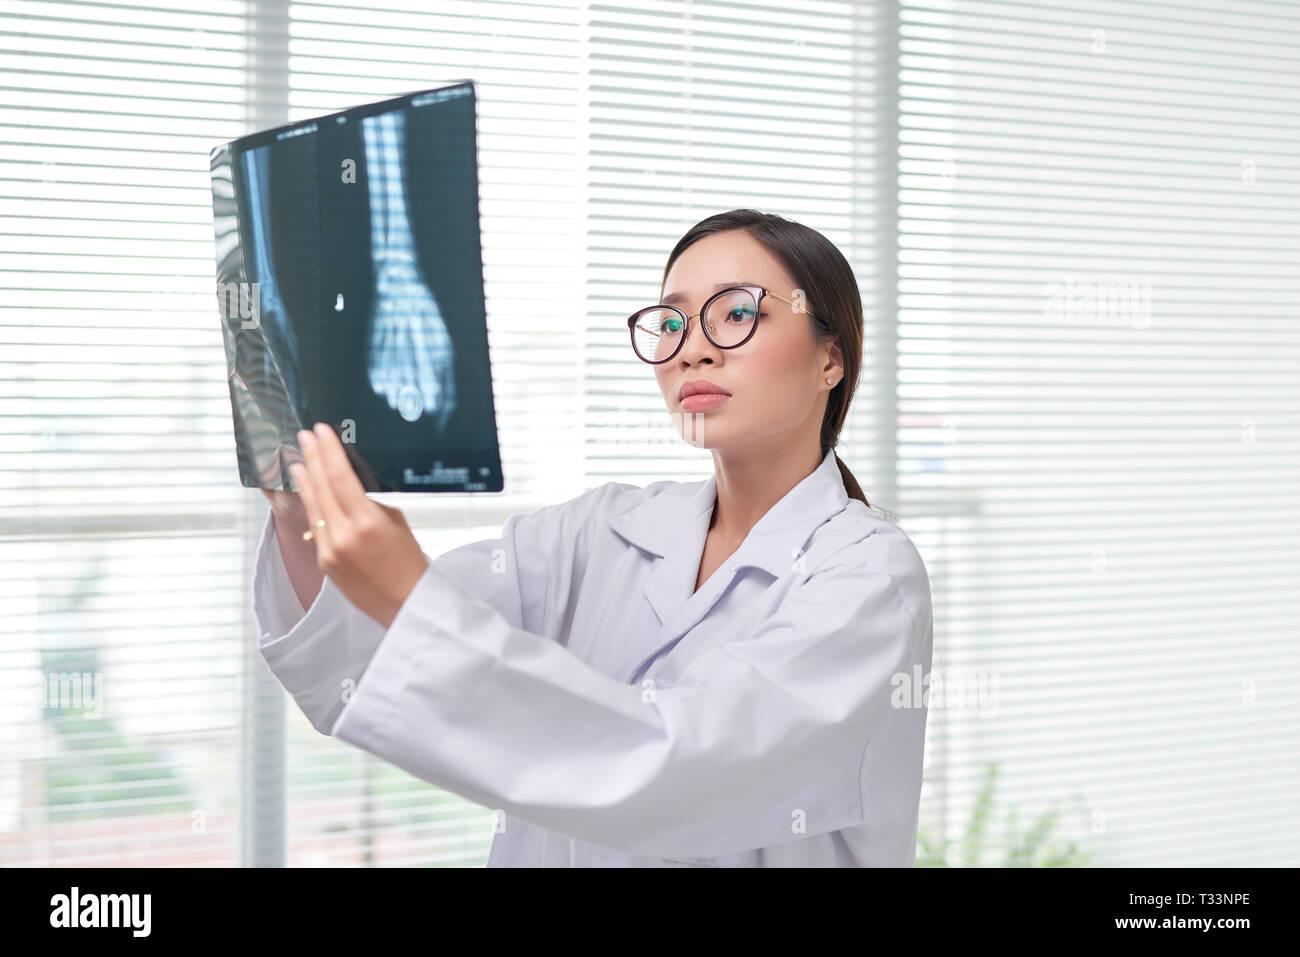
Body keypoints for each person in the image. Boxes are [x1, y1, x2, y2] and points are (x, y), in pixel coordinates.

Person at [254, 208, 934, 867]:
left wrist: (410, 594)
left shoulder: (868, 575)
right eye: (671, 321)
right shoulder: (597, 530)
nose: (692, 347)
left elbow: (689, 775)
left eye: (736, 314)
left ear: (831, 359)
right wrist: (296, 507)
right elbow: (361, 656)